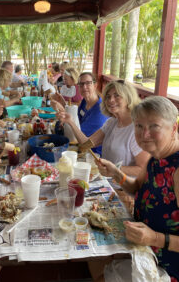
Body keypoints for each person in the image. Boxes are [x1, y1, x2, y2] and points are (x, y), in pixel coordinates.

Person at [93, 96, 179, 281]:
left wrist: (154, 238)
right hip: (141, 246)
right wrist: (116, 172)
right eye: (139, 126)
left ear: (173, 128)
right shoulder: (156, 156)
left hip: (166, 265)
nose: (144, 134)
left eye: (154, 126)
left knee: (100, 272)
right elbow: (137, 187)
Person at [58, 80, 150, 176]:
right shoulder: (111, 122)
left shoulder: (137, 129)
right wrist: (70, 122)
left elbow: (143, 169)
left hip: (124, 187)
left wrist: (114, 169)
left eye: (117, 95)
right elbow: (86, 144)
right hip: (106, 181)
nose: (111, 100)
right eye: (108, 97)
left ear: (128, 98)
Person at [52, 72, 108, 155]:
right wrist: (63, 103)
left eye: (88, 83)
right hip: (79, 145)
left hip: (92, 154)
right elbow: (76, 119)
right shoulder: (85, 101)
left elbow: (77, 137)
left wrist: (62, 110)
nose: (84, 87)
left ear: (95, 85)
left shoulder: (100, 111)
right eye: (81, 84)